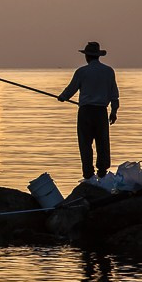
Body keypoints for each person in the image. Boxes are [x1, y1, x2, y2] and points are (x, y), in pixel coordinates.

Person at [58, 41, 120, 180]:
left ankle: (88, 174)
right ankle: (102, 172)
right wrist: (114, 111)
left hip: (85, 112)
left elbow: (70, 90)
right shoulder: (108, 71)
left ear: (87, 56)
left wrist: (62, 97)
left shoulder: (82, 72)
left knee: (85, 143)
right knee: (102, 142)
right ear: (98, 56)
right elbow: (114, 95)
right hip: (101, 112)